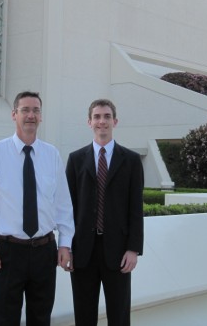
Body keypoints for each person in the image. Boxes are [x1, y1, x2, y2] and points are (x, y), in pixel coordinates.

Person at [0, 91, 74, 326]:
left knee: (41, 318)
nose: (31, 115)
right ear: (14, 115)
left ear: (41, 117)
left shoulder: (52, 155)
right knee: (5, 318)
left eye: (36, 110)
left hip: (45, 251)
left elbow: (63, 205)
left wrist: (65, 243)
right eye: (25, 110)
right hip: (7, 253)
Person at [66, 99, 144, 326]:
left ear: (115, 121)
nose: (102, 121)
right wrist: (66, 246)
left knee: (119, 316)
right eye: (97, 117)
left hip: (118, 252)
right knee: (84, 315)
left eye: (107, 116)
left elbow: (135, 209)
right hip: (82, 251)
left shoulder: (130, 160)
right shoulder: (75, 160)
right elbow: (67, 208)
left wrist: (133, 249)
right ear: (89, 122)